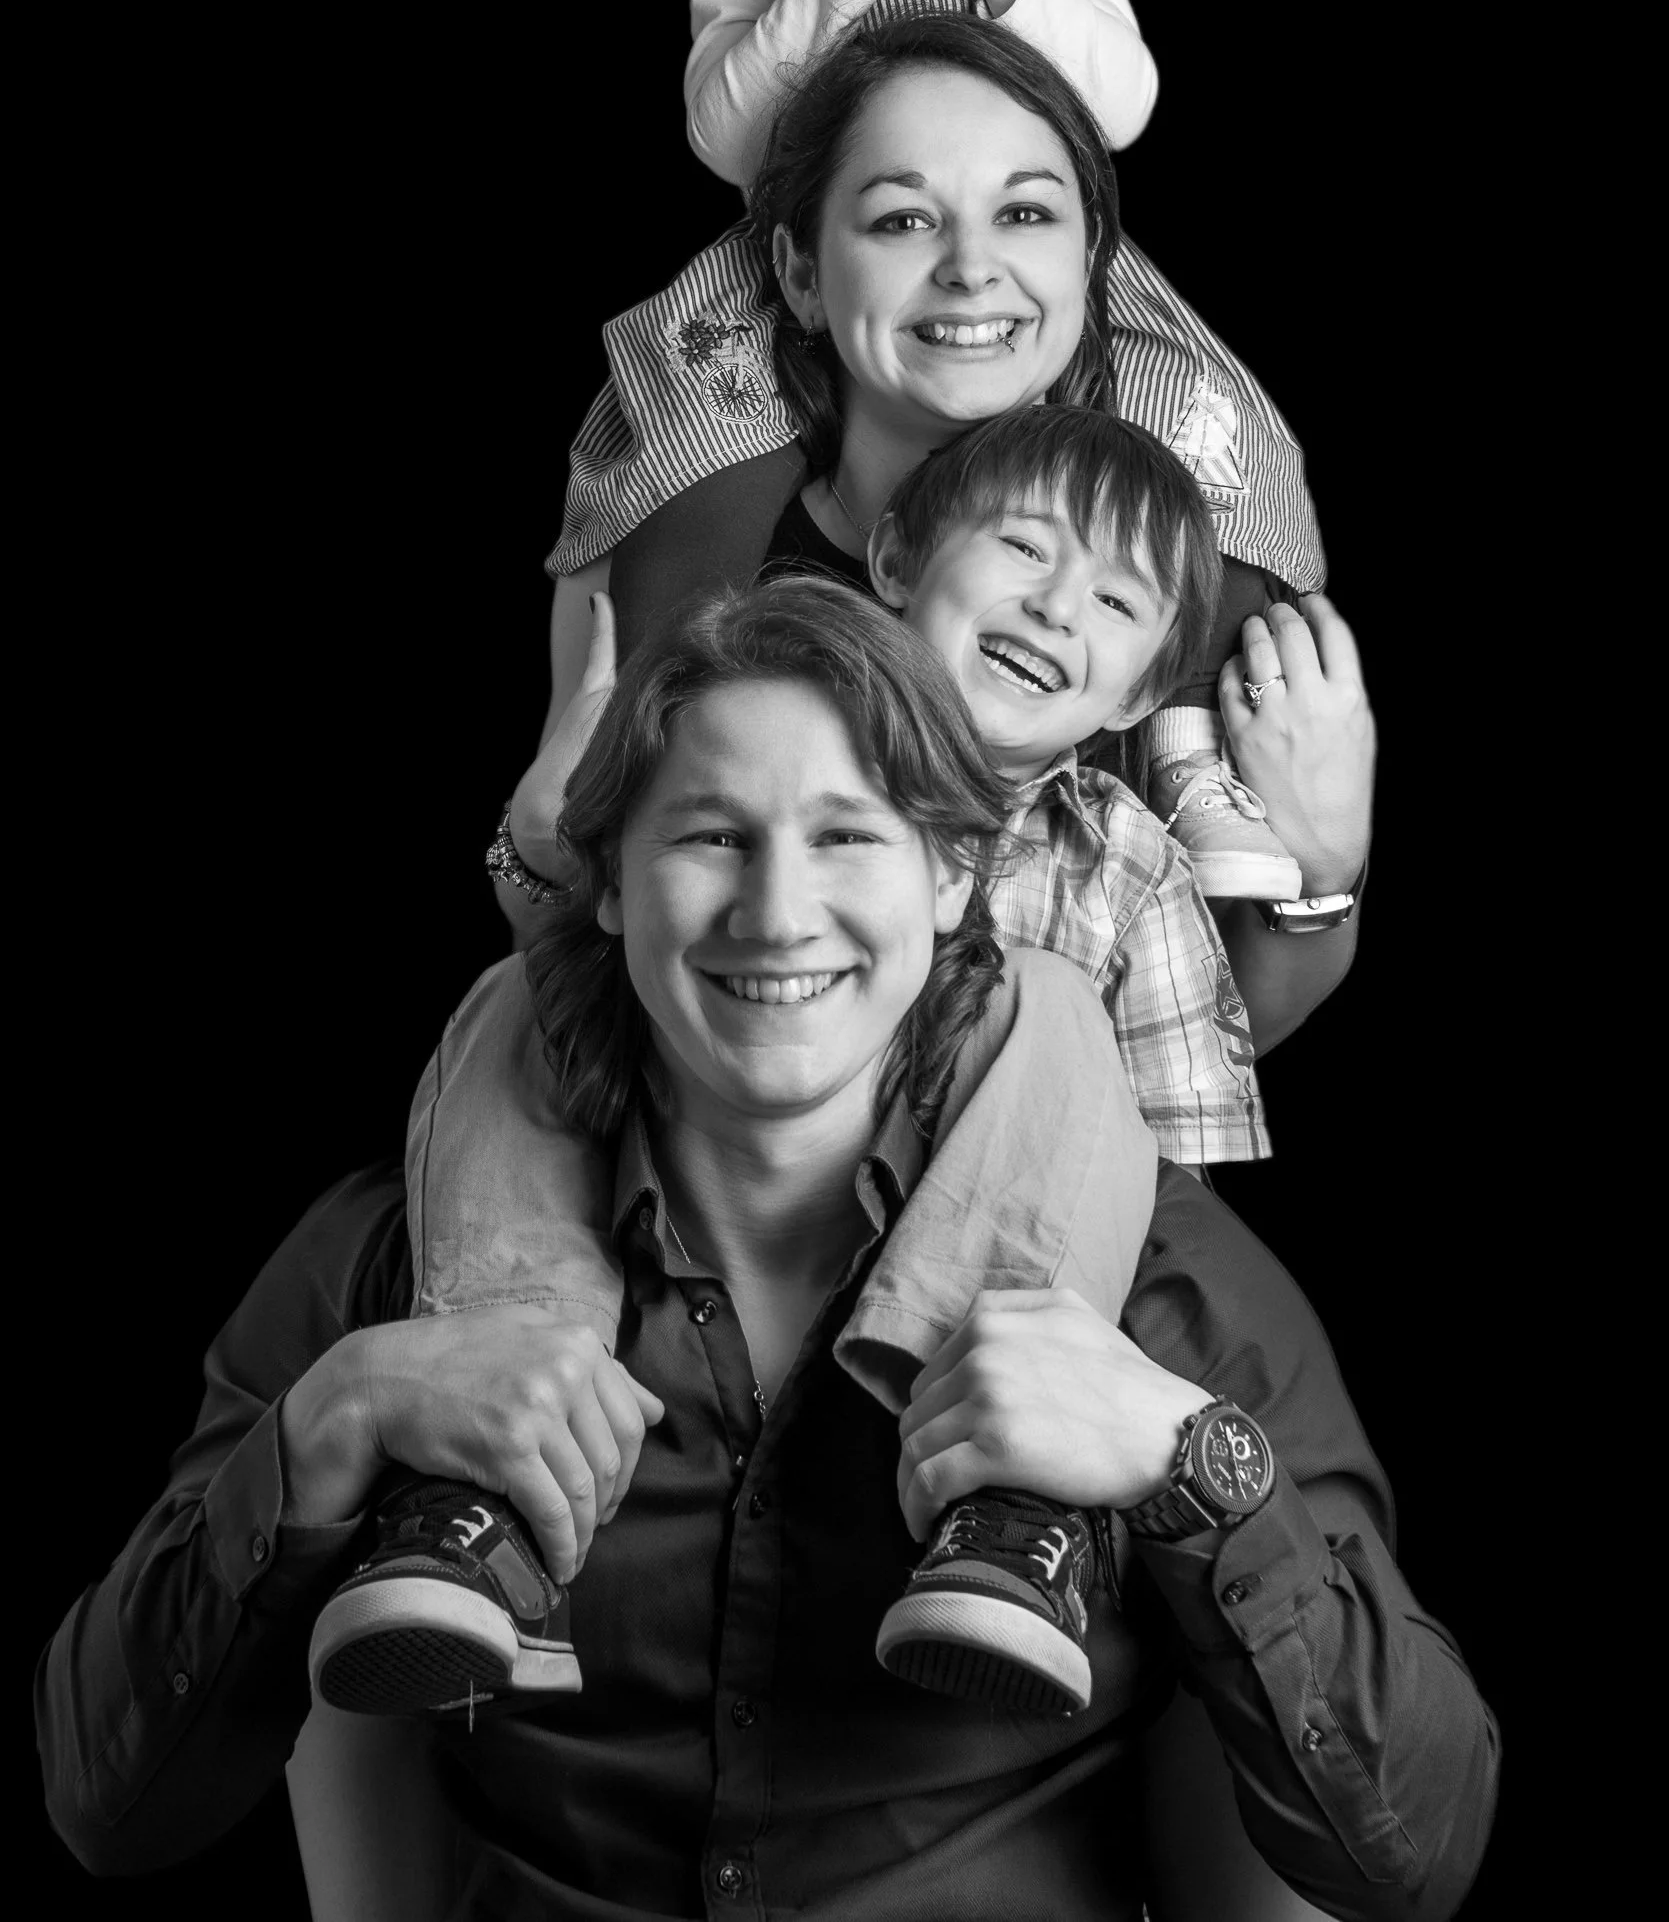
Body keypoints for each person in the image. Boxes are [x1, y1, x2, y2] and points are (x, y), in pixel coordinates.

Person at [36, 587, 1493, 1918]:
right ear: (609, 884)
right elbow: (112, 1804)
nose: (778, 912)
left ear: (949, 878)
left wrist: (1195, 1466)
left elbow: (1418, 1848)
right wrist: (330, 1422)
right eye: (712, 834)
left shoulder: (1157, 1282)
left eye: (847, 834)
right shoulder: (391, 1264)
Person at [557, 0, 1324, 893]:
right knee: (691, 423)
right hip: (789, 258)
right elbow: (729, 142)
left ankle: (1196, 747)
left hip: (1057, 253)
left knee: (1195, 420)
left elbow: (1123, 107)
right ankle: (655, 742)